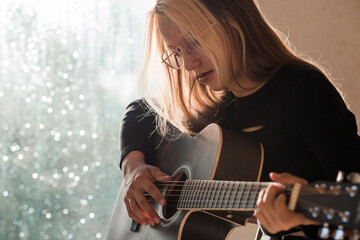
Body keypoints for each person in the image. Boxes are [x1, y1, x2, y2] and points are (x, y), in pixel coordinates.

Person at [119, 0, 360, 239]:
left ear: (232, 23)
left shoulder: (305, 91)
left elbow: (354, 203)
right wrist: (133, 167)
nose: (189, 64)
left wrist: (304, 218)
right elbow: (140, 111)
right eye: (176, 52)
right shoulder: (215, 110)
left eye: (193, 42)